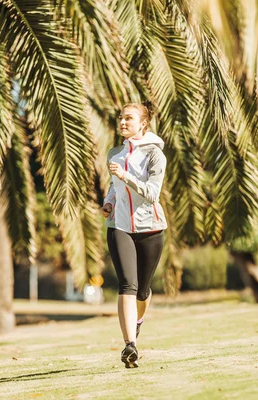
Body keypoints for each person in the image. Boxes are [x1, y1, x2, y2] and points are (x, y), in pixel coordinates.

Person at [100, 101, 167, 368]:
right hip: (119, 226)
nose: (123, 122)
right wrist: (108, 202)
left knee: (142, 291)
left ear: (143, 124)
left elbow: (152, 194)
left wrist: (126, 176)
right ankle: (130, 346)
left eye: (129, 118)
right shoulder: (114, 153)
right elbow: (114, 187)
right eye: (121, 117)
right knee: (127, 285)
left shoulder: (155, 155)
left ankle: (137, 322)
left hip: (151, 228)